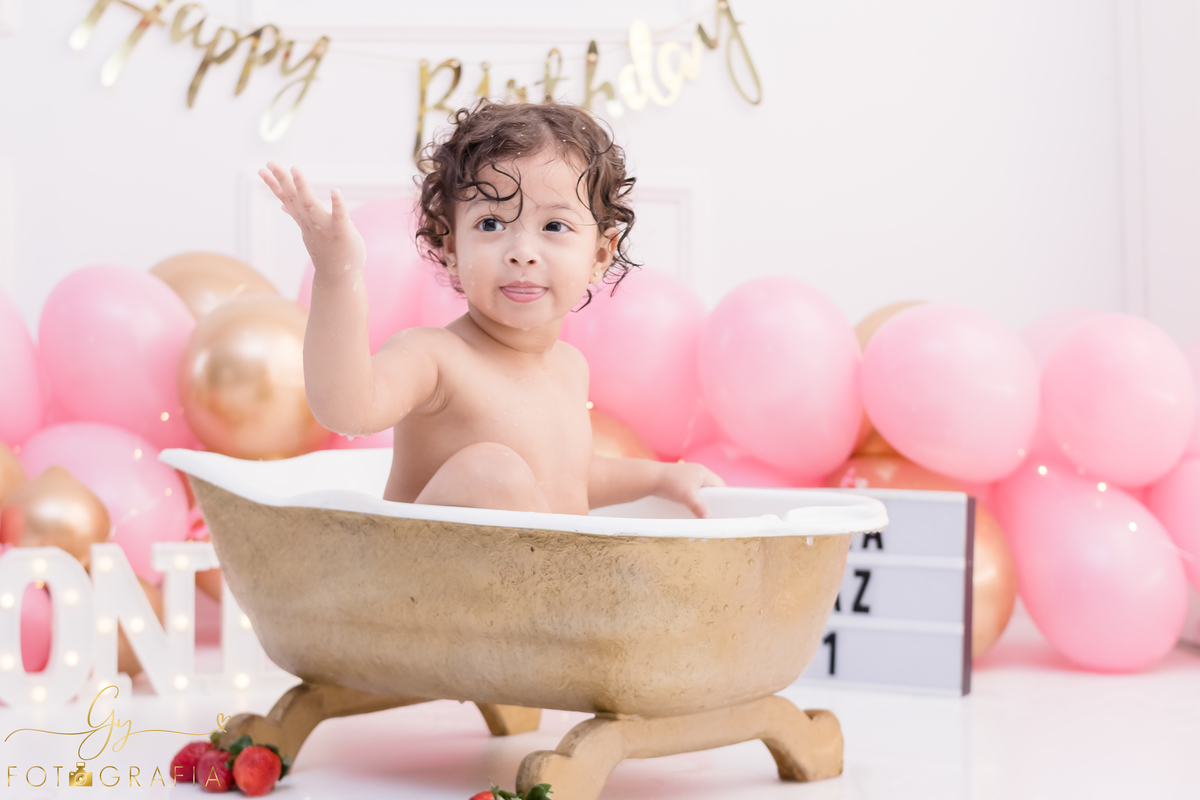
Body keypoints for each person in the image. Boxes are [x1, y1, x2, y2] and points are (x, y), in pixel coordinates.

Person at [259, 101, 722, 517]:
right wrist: (336, 273)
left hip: (533, 582)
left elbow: (569, 481)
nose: (522, 252)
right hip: (425, 582)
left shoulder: (569, 367)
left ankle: (565, 585)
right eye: (491, 223)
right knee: (491, 470)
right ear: (451, 248)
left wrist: (661, 478)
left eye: (554, 226)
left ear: (599, 256)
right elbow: (346, 410)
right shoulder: (434, 357)